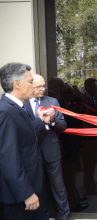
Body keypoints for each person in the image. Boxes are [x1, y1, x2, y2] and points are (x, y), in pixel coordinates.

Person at [0, 62, 51, 220]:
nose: (33, 86)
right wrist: (26, 193)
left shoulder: (18, 107)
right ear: (17, 84)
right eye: (30, 82)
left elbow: (25, 134)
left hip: (32, 186)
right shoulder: (5, 112)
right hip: (21, 197)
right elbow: (8, 158)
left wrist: (41, 121)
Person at [24, 74, 72, 219]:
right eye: (38, 86)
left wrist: (51, 120)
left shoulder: (52, 101)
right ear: (30, 85)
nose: (42, 89)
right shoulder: (22, 103)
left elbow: (63, 126)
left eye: (44, 85)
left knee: (58, 188)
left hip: (51, 151)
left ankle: (64, 215)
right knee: (37, 188)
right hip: (32, 153)